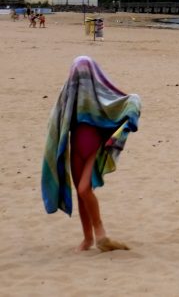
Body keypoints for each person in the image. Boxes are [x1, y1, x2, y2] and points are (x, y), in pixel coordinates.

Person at [41, 55, 141, 252]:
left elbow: (125, 102)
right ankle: (88, 238)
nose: (80, 78)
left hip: (93, 150)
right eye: (77, 73)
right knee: (81, 194)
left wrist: (132, 112)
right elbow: (58, 118)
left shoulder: (99, 95)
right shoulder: (69, 95)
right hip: (76, 150)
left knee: (84, 189)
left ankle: (100, 233)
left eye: (84, 73)